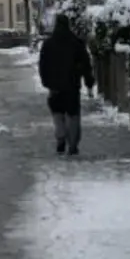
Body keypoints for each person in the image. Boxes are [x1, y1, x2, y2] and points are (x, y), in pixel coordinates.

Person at [38, 14, 96, 156]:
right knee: (73, 114)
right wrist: (89, 81)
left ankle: (61, 135)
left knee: (57, 114)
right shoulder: (76, 43)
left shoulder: (48, 44)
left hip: (54, 87)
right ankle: (73, 143)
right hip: (72, 85)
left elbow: (43, 66)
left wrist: (46, 82)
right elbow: (86, 64)